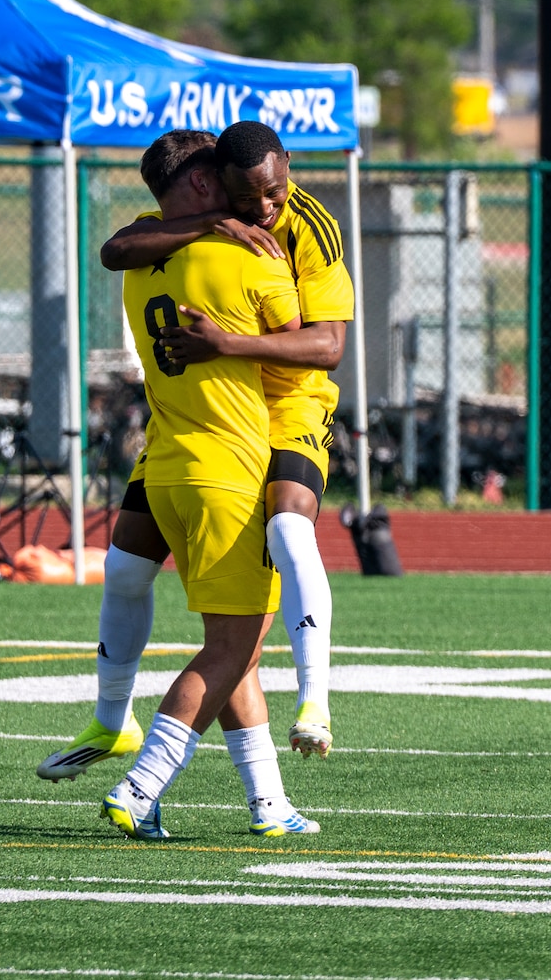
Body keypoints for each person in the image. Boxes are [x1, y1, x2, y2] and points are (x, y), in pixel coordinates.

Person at [36, 121, 352, 791]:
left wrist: (228, 345)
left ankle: (315, 702)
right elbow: (116, 248)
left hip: (286, 406)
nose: (265, 208)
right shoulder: (184, 222)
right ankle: (123, 727)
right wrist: (211, 224)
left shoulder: (306, 226)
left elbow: (326, 347)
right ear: (216, 182)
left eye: (274, 193)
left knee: (276, 553)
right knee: (125, 569)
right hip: (192, 427)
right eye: (249, 196)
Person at [94, 129, 319, 839]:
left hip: (166, 471)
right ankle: (140, 786)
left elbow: (119, 246)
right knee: (232, 648)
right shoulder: (246, 252)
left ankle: (269, 806)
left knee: (232, 647)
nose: (243, 197)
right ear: (197, 184)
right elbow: (317, 345)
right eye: (221, 182)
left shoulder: (145, 257)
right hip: (229, 470)